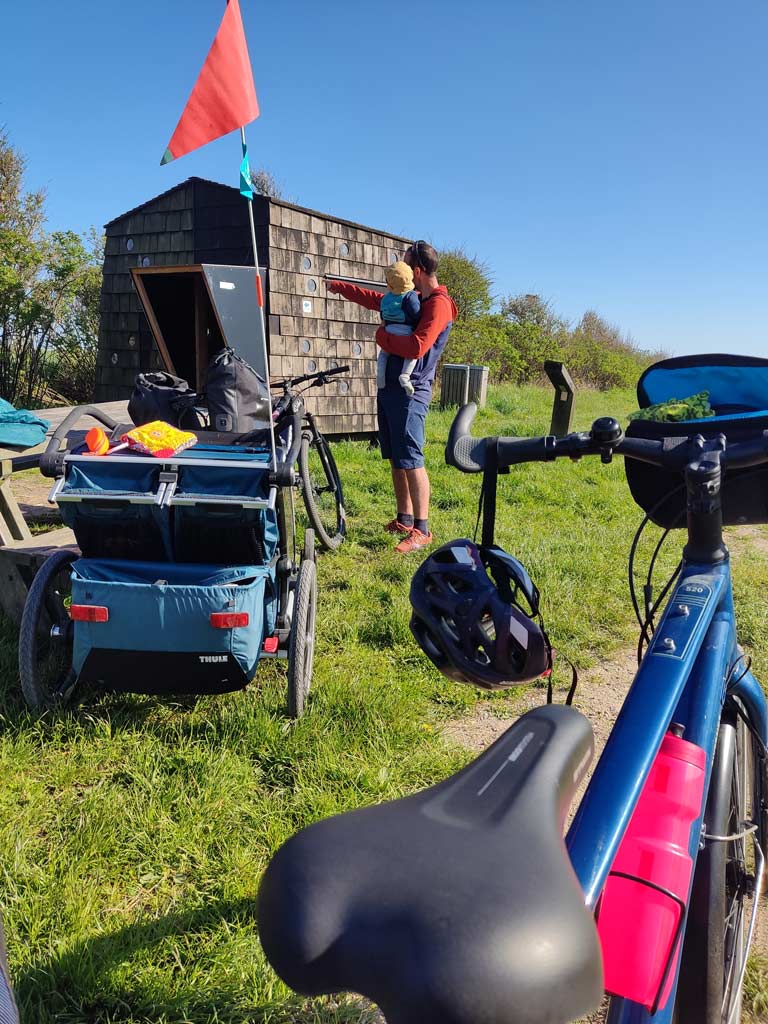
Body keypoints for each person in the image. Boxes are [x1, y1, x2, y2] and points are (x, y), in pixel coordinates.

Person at [327, 240, 457, 553]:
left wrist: (381, 336)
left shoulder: (438, 304)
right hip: (390, 389)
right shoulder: (412, 298)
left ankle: (422, 530)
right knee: (396, 458)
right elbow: (376, 299)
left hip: (412, 392)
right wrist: (340, 287)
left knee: (412, 459)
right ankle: (404, 518)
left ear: (417, 270)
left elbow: (416, 347)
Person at [378, 260, 421, 396]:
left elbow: (382, 313)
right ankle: (405, 375)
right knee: (411, 355)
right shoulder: (410, 295)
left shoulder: (386, 298)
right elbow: (416, 312)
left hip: (389, 329)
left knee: (384, 354)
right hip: (405, 330)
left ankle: (380, 374)